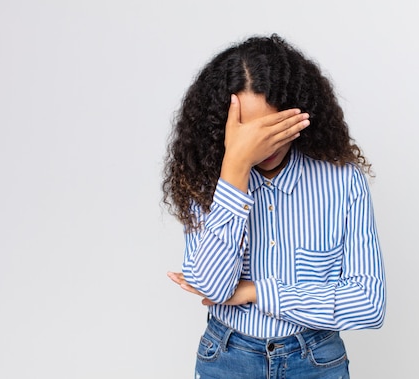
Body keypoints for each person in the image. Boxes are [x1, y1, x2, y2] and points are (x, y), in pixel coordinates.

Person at [164, 34, 385, 379]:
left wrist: (256, 291)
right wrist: (235, 168)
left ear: (296, 117)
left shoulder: (342, 181)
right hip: (227, 358)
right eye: (248, 132)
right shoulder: (206, 179)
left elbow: (369, 304)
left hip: (316, 361)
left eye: (272, 128)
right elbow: (213, 287)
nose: (262, 144)